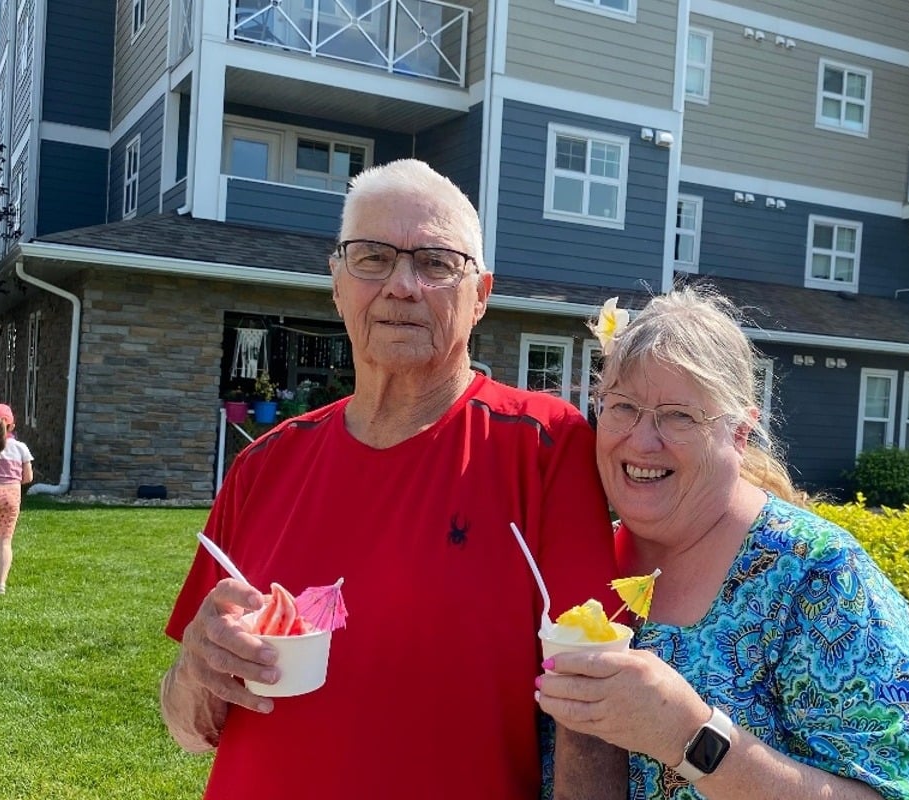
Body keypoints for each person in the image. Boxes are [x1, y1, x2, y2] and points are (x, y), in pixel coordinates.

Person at [161, 159, 625, 799]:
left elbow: (591, 699)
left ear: (481, 295)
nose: (402, 285)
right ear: (337, 282)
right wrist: (194, 666)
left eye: (435, 263)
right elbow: (188, 726)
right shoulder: (262, 464)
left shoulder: (544, 444)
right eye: (372, 257)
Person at [537, 286, 909, 800]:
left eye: (679, 416)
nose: (641, 440)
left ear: (740, 431)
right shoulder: (580, 564)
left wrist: (690, 735)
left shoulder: (818, 579)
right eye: (623, 407)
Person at [0, 403, 34, 595]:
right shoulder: (21, 448)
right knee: (4, 542)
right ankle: (0, 585)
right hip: (11, 497)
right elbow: (28, 478)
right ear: (12, 426)